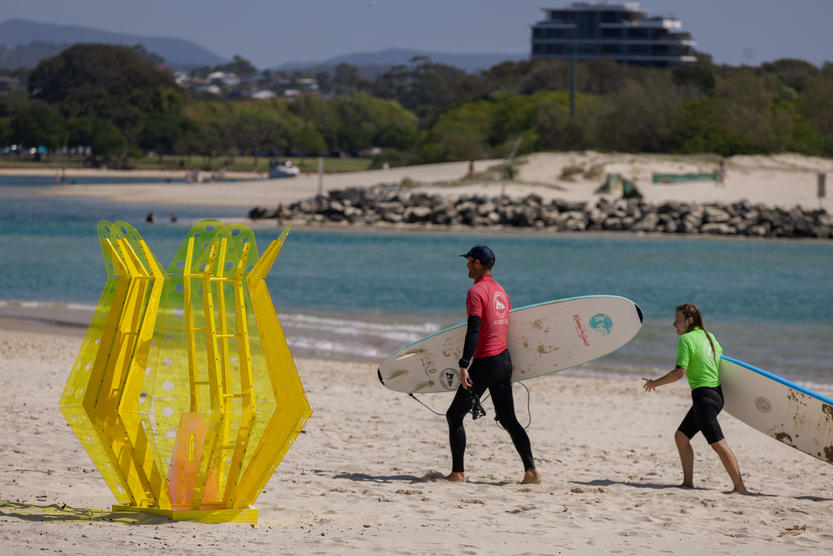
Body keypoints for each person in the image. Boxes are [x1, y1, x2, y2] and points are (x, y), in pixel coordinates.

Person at [445, 245, 540, 485]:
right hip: (504, 361)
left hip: (486, 361)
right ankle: (531, 471)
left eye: (468, 261)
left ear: (477, 263)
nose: (466, 265)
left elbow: (474, 329)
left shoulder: (475, 292)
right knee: (508, 419)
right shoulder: (501, 291)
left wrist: (464, 364)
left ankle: (458, 473)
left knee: (454, 415)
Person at [642, 304, 748, 495]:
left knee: (718, 444)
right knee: (681, 437)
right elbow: (722, 362)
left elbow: (679, 372)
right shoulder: (710, 337)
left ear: (690, 321)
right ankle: (687, 483)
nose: (674, 323)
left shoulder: (686, 340)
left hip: (703, 398)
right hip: (716, 396)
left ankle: (740, 487)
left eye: (678, 320)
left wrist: (654, 383)